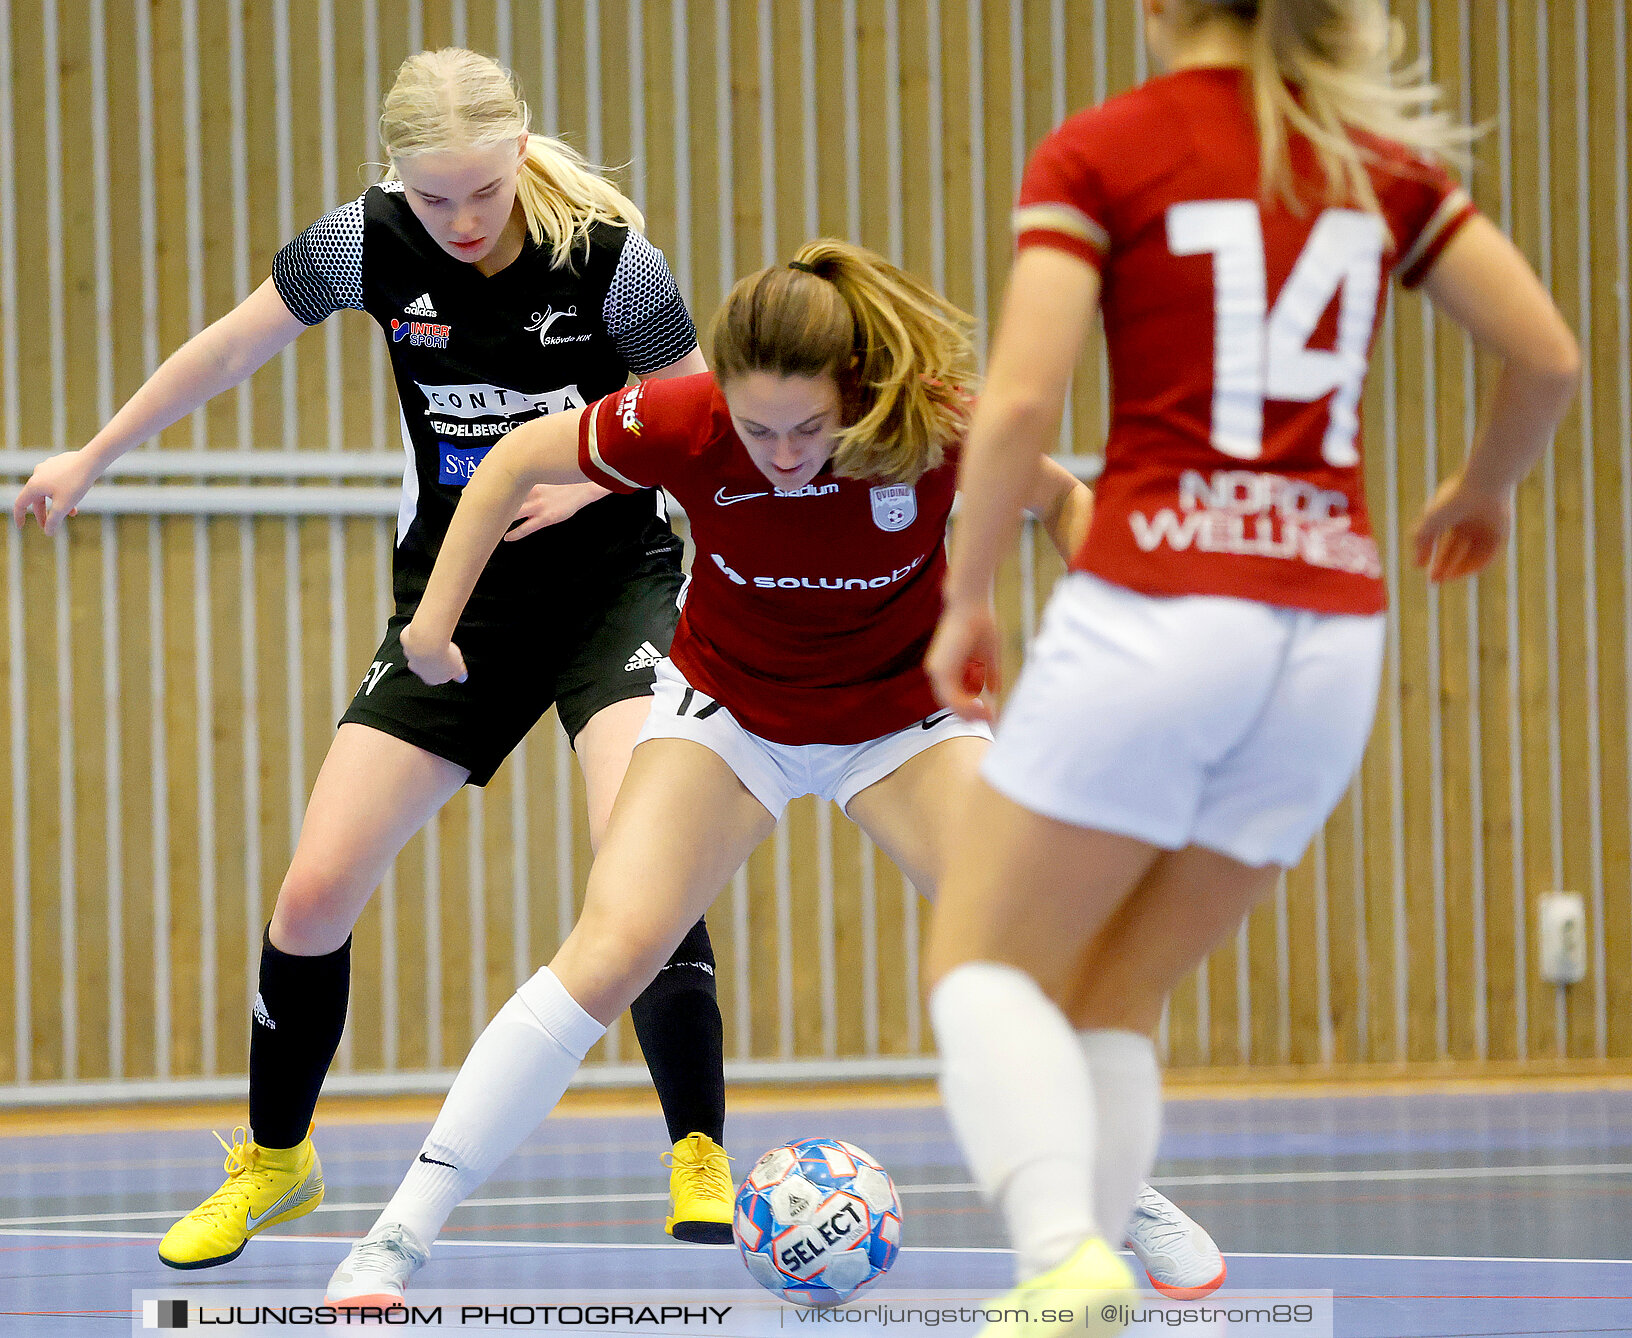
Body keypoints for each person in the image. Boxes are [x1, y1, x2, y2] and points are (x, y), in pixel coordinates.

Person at [319, 238, 1224, 1307]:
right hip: (731, 714)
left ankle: (1122, 1191)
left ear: (855, 391)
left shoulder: (935, 424)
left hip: (904, 723)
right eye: (759, 430)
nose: (784, 454)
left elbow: (1067, 501)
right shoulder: (684, 420)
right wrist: (430, 625)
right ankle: (398, 1233)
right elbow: (516, 458)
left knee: (1018, 954)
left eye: (808, 429)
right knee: (609, 951)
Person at [13, 47, 742, 1265]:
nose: (460, 222)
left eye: (483, 193)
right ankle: (274, 1159)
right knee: (312, 892)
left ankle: (696, 1146)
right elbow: (229, 350)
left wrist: (590, 483)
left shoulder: (613, 263)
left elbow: (703, 422)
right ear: (396, 175)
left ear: (520, 154)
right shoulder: (360, 244)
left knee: (643, 857)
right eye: (435, 195)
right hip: (453, 601)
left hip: (613, 586)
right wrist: (92, 455)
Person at [921, 0, 1581, 1331]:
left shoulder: (1105, 147)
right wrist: (1480, 490)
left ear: (1156, 8)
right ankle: (1077, 1284)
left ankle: (1061, 1253)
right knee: (1114, 988)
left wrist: (967, 589)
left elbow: (1029, 400)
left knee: (977, 965)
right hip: (1332, 631)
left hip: (1160, 605)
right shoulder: (1380, 163)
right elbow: (1549, 356)